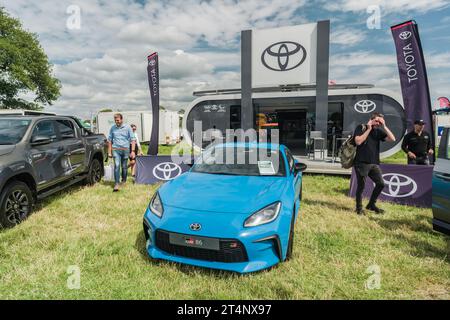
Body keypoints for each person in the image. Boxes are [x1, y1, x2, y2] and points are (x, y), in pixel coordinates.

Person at [353, 112, 396, 215]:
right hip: (361, 163)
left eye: (380, 122)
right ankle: (359, 208)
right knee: (361, 187)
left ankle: (371, 204)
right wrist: (368, 129)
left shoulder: (378, 131)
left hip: (374, 163)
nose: (378, 123)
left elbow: (392, 139)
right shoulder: (361, 127)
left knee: (381, 184)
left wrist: (384, 126)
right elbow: (358, 141)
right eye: (376, 120)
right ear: (371, 119)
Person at [107, 113, 136, 192]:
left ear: (122, 119)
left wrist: (133, 151)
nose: (117, 122)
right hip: (116, 149)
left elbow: (133, 139)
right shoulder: (113, 128)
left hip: (125, 150)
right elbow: (109, 140)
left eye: (118, 120)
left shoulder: (128, 127)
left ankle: (123, 180)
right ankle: (116, 183)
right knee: (117, 165)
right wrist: (109, 152)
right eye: (115, 120)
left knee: (124, 166)